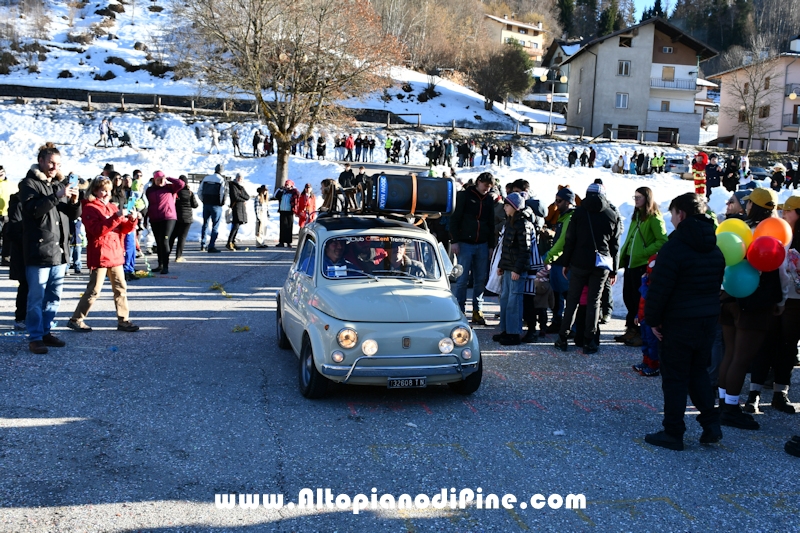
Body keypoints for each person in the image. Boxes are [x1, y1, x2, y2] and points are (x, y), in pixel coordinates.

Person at [642, 192, 724, 451]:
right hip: (707, 321)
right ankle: (711, 425)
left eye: (673, 213)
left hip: (679, 323)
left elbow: (660, 290)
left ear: (682, 214)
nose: (671, 219)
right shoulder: (715, 246)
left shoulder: (674, 248)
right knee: (697, 372)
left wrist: (652, 320)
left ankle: (673, 431)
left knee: (675, 377)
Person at [718, 188, 788, 430]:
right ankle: (731, 408)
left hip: (729, 295)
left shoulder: (739, 228)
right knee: (742, 357)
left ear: (751, 206)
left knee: (729, 354)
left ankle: (722, 403)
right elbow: (782, 271)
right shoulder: (774, 233)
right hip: (755, 302)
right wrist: (780, 301)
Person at [19, 142, 81, 354]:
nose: (55, 167)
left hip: (59, 251)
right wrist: (58, 195)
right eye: (51, 163)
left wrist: (74, 201)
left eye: (58, 163)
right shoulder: (28, 184)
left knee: (54, 297)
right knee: (36, 298)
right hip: (39, 251)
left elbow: (72, 216)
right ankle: (35, 337)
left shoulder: (58, 185)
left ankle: (46, 331)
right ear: (41, 161)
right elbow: (34, 210)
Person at [66, 177, 140, 333]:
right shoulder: (89, 208)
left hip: (115, 253)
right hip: (100, 254)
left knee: (121, 288)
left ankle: (123, 320)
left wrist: (132, 220)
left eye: (108, 190)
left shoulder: (113, 207)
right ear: (95, 191)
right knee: (94, 290)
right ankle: (76, 319)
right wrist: (117, 217)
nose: (106, 193)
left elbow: (123, 229)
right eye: (103, 190)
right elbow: (97, 231)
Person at [554, 183, 621, 355]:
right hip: (601, 264)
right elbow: (615, 246)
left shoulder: (579, 213)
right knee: (594, 302)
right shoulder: (611, 214)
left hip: (578, 262)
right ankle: (590, 341)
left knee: (573, 301)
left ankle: (563, 337)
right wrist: (614, 269)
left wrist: (566, 263)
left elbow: (570, 240)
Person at [616, 187, 668, 347]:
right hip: (631, 262)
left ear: (647, 198)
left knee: (639, 299)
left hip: (641, 264)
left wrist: (644, 253)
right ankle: (631, 328)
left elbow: (662, 240)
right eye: (635, 196)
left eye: (639, 197)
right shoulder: (636, 216)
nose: (636, 199)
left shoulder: (653, 218)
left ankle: (640, 332)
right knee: (629, 297)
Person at [449, 172, 495, 325]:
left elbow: (491, 223)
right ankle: (460, 310)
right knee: (462, 279)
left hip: (482, 244)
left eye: (490, 187)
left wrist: (491, 246)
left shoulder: (489, 200)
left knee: (480, 279)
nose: (487, 189)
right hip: (465, 243)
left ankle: (477, 310)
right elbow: (454, 218)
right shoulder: (464, 196)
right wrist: (454, 240)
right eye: (485, 186)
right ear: (478, 182)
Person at [493, 192, 534, 346]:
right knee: (505, 300)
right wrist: (502, 266)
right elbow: (506, 247)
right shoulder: (509, 222)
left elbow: (525, 250)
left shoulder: (523, 224)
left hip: (517, 270)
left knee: (514, 302)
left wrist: (517, 269)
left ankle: (514, 333)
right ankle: (505, 330)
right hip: (508, 268)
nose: (504, 207)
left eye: (507, 205)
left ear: (515, 207)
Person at [542, 187, 575, 333]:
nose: (556, 204)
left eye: (559, 201)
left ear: (568, 202)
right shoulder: (562, 217)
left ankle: (570, 326)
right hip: (558, 262)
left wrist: (548, 258)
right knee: (557, 294)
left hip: (564, 263)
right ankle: (558, 321)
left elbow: (562, 242)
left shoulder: (570, 218)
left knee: (567, 294)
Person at [145, 171, 184, 275]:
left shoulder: (170, 188)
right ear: (154, 180)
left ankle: (166, 266)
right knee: (158, 241)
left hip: (168, 217)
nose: (161, 181)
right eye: (158, 179)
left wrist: (169, 177)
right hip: (154, 218)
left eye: (162, 179)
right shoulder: (150, 190)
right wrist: (146, 218)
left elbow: (181, 184)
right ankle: (160, 264)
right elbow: (147, 204)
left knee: (164, 240)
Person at [631, 254, 660, 376]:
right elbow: (642, 301)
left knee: (652, 343)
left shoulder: (654, 285)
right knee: (646, 342)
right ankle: (646, 361)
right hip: (643, 317)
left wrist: (643, 282)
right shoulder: (647, 282)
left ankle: (654, 365)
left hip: (650, 318)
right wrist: (638, 314)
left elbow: (646, 295)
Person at [6, 190, 27, 330]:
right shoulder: (18, 203)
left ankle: (29, 317)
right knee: (25, 285)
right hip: (22, 252)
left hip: (34, 250)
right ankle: (20, 318)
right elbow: (13, 230)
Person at [197, 164, 228, 253]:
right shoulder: (221, 180)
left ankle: (203, 244)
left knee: (205, 224)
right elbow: (223, 193)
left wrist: (203, 200)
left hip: (206, 204)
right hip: (216, 205)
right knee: (215, 226)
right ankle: (211, 245)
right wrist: (221, 203)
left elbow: (199, 191)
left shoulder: (206, 178)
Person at [169, 175, 197, 262]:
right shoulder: (190, 193)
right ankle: (178, 256)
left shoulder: (175, 192)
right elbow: (195, 205)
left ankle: (167, 254)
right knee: (182, 237)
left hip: (176, 217)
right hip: (187, 218)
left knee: (172, 236)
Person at [226, 173, 250, 251]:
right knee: (235, 225)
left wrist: (241, 196)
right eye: (239, 177)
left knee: (238, 226)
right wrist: (242, 199)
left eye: (241, 178)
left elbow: (247, 196)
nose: (240, 179)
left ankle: (233, 242)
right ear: (236, 178)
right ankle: (229, 242)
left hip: (241, 208)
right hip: (236, 207)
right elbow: (235, 197)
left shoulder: (241, 187)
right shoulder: (233, 185)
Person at [274, 179, 299, 247]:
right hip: (282, 210)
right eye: (286, 185)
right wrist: (280, 189)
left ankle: (288, 242)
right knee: (282, 226)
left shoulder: (294, 192)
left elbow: (297, 197)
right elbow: (275, 196)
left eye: (288, 185)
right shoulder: (282, 192)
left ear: (291, 185)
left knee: (289, 226)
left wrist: (293, 188)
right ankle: (281, 241)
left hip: (290, 211)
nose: (286, 186)